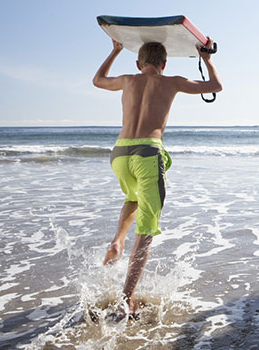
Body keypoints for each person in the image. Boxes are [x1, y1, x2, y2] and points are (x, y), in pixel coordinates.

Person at [93, 38, 222, 314]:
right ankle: (127, 299)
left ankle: (117, 241)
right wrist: (207, 60)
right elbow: (215, 87)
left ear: (139, 64)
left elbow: (98, 79)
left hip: (119, 154)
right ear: (164, 64)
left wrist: (114, 50)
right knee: (147, 231)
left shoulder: (128, 79)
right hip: (148, 154)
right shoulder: (171, 81)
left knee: (132, 197)